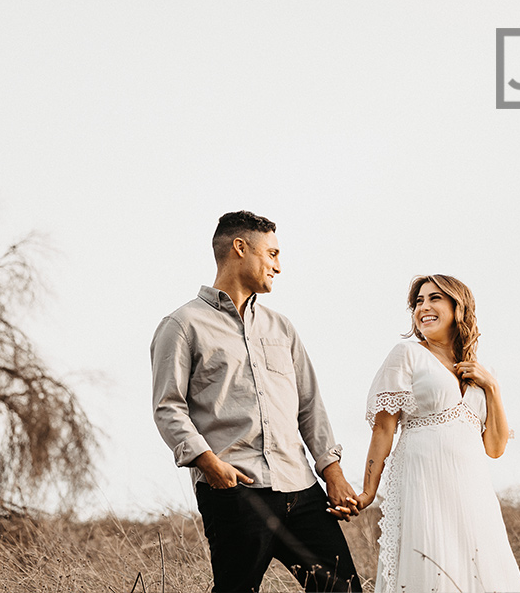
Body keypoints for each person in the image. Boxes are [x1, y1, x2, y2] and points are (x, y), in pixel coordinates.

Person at [151, 211, 362, 593]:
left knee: (342, 589)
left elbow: (309, 404)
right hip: (235, 488)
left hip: (299, 487)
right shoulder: (182, 325)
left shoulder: (281, 327)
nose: (278, 266)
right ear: (240, 248)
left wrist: (332, 472)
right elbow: (168, 407)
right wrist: (209, 464)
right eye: (272, 254)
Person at [332, 275, 520, 593]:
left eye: (434, 298)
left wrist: (492, 386)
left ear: (458, 306)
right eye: (418, 302)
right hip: (423, 483)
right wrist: (368, 492)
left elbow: (494, 447)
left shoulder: (482, 370)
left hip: (472, 490)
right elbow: (384, 429)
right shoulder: (407, 354)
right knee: (430, 566)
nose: (423, 307)